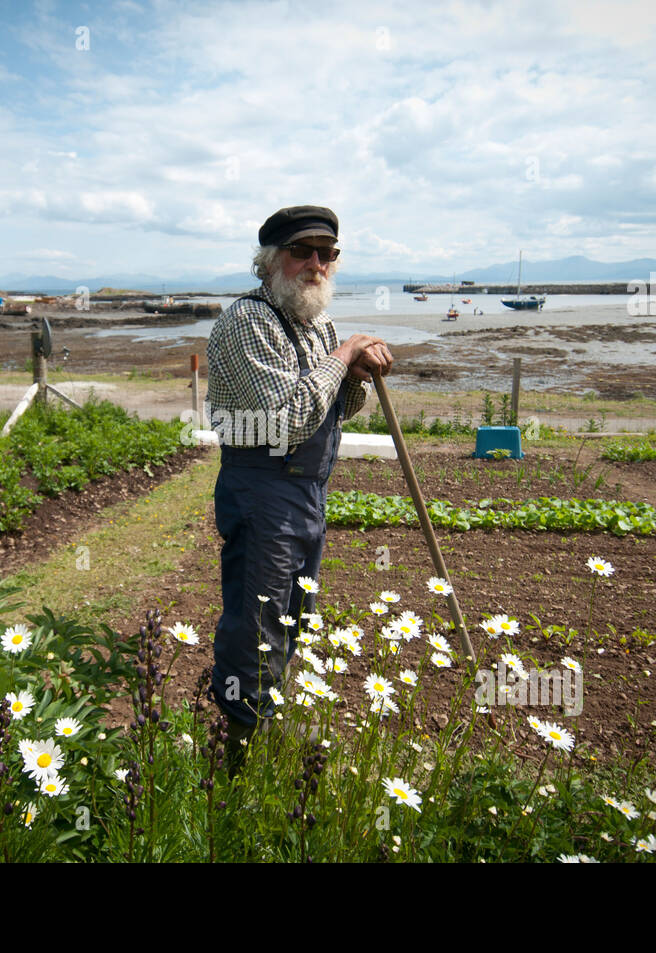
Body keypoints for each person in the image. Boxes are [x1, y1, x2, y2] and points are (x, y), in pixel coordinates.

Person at [204, 205, 392, 771]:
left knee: (294, 614)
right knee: (256, 619)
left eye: (327, 254)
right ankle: (237, 755)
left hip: (308, 491)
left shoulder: (319, 325)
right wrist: (344, 356)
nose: (316, 264)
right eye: (302, 252)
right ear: (270, 261)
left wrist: (356, 374)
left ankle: (269, 724)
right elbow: (287, 420)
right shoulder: (248, 322)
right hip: (261, 489)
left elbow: (335, 410)